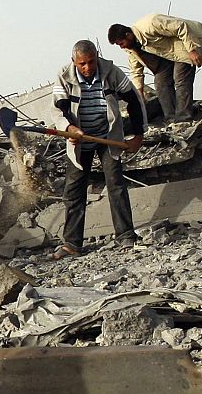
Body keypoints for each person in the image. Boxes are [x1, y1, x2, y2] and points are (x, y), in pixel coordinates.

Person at [51, 40, 146, 257]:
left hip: (107, 136)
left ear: (96, 57)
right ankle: (72, 244)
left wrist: (138, 135)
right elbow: (59, 110)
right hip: (79, 140)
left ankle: (126, 236)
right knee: (74, 190)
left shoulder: (110, 72)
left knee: (116, 185)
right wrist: (69, 128)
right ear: (74, 61)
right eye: (82, 63)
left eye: (91, 62)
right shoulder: (64, 76)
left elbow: (133, 101)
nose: (87, 67)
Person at [107, 13, 202, 123]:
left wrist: (192, 49)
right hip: (167, 55)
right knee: (161, 84)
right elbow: (136, 71)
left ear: (128, 35)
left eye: (121, 43)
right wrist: (139, 93)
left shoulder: (151, 23)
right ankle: (171, 120)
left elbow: (182, 26)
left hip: (187, 44)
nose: (122, 47)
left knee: (180, 79)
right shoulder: (130, 48)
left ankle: (184, 119)